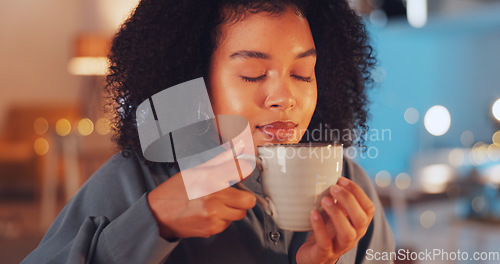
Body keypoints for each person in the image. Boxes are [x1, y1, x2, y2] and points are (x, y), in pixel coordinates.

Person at [22, 0, 395, 263]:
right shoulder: (136, 180)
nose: (285, 97)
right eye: (252, 73)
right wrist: (153, 222)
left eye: (302, 74)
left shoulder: (349, 187)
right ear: (195, 78)